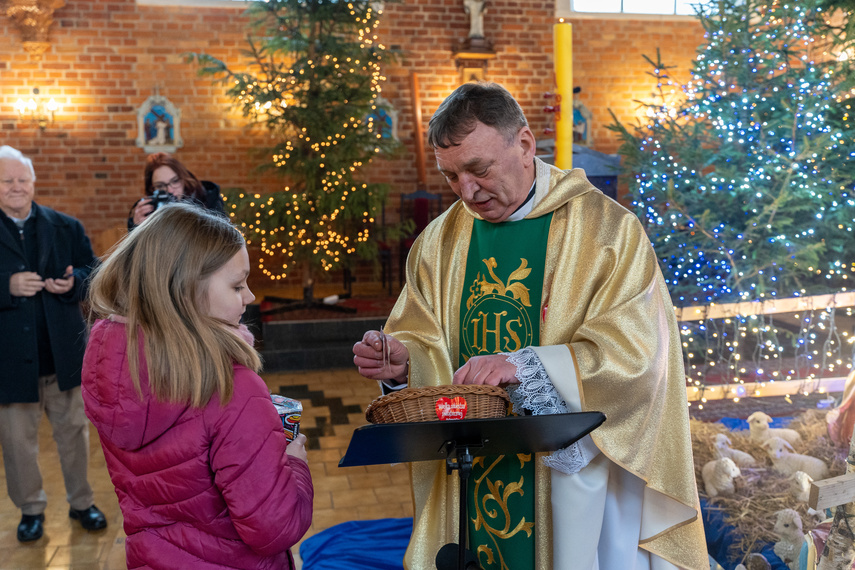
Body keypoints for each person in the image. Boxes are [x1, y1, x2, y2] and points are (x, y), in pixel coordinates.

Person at [352, 83, 708, 570]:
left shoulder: (607, 231)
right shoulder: (440, 240)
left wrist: (526, 366)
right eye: (451, 176)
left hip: (570, 475)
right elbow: (422, 334)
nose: (467, 192)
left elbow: (638, 355)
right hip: (473, 467)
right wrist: (402, 360)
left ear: (523, 145)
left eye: (478, 170)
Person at [83, 202, 313, 568]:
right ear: (185, 290)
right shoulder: (230, 386)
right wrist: (295, 466)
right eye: (237, 285)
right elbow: (273, 527)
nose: (250, 297)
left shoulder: (112, 366)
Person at [0, 145, 107, 542]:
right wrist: (5, 287)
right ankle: (30, 510)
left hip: (64, 355)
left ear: (33, 182)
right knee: (17, 446)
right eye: (7, 180)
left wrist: (72, 283)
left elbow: (92, 270)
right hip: (10, 361)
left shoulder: (65, 226)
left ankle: (82, 502)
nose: (16, 187)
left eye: (22, 179)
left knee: (75, 436)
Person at [127, 152, 224, 230]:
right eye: (160, 186)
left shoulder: (208, 198)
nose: (170, 190)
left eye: (175, 181)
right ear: (152, 189)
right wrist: (137, 228)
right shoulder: (148, 210)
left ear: (184, 179)